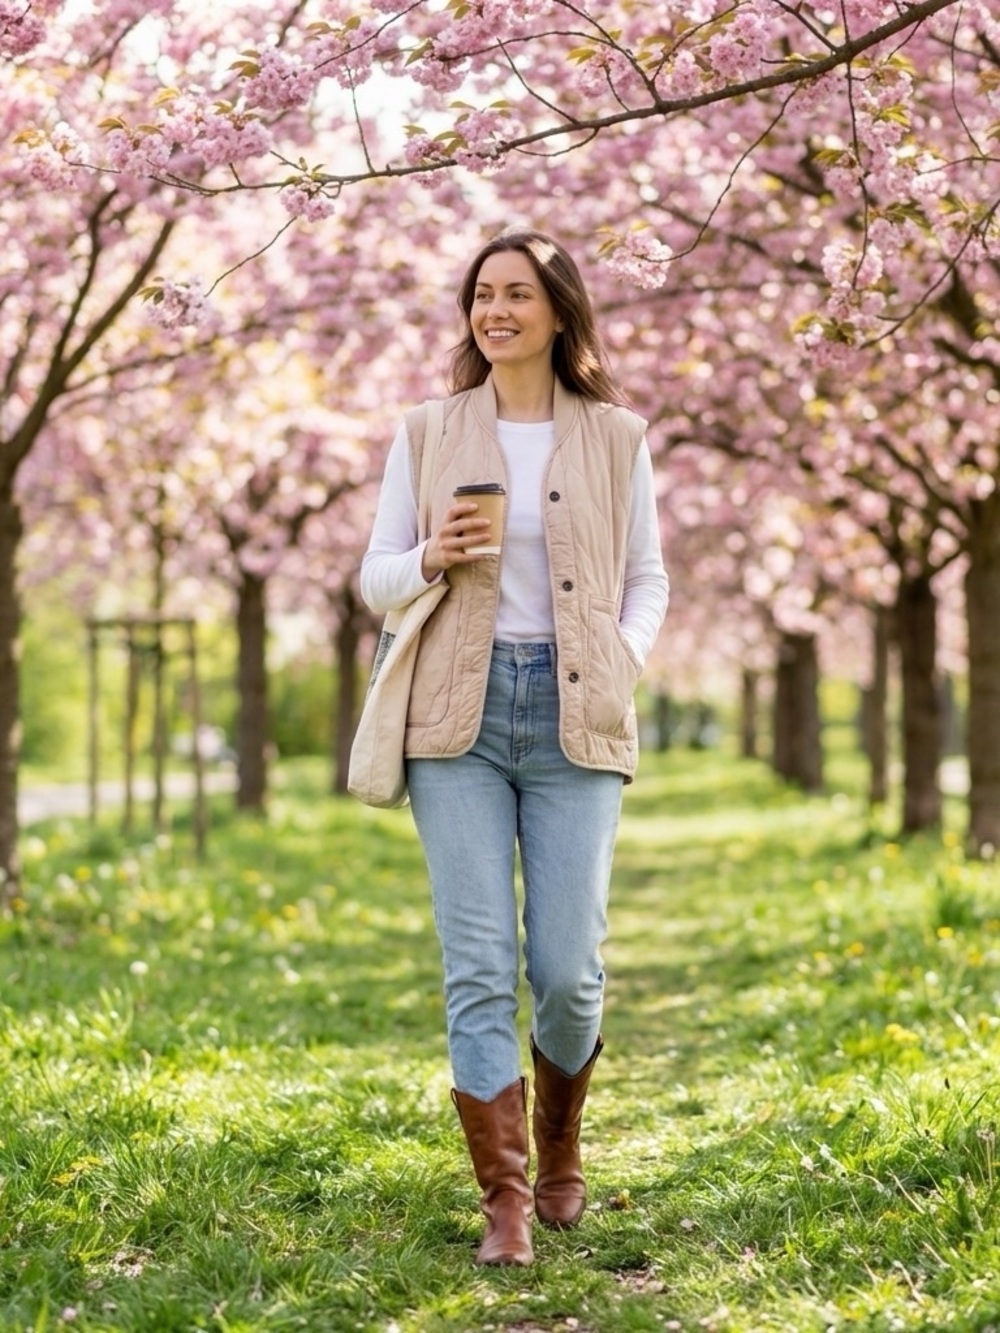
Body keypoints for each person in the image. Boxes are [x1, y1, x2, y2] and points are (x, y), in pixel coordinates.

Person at [360, 227, 669, 1267]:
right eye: (481, 295)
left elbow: (648, 576)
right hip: (457, 717)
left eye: (516, 295)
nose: (495, 312)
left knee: (568, 968)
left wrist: (622, 658)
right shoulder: (427, 430)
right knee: (479, 963)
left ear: (557, 310)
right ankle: (505, 1201)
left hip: (578, 713)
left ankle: (560, 1134)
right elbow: (374, 577)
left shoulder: (616, 435)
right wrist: (427, 557)